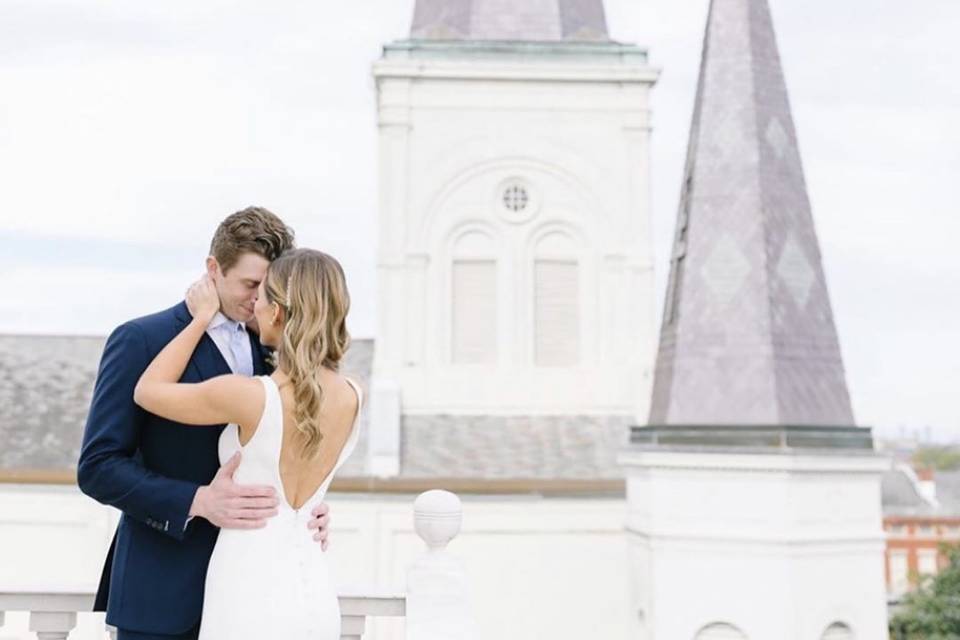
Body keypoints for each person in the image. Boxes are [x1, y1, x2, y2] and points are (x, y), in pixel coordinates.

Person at [77, 208, 333, 640]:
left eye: (269, 289)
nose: (259, 301)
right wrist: (197, 500)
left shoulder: (274, 352)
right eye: (250, 285)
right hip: (162, 594)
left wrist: (306, 505)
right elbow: (98, 467)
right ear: (213, 269)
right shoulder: (141, 339)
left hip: (254, 592)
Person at [134, 247, 362, 640]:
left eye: (263, 296)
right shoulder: (355, 395)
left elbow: (148, 391)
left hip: (248, 581)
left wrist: (199, 318)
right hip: (314, 585)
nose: (254, 304)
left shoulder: (251, 396)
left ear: (277, 312)